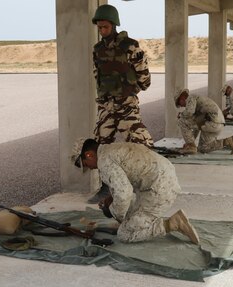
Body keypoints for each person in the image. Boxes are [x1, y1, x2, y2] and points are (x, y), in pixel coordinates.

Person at [71, 138, 200, 245]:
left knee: (124, 234)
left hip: (160, 189)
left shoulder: (104, 162)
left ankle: (173, 224)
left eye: (86, 164)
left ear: (89, 154)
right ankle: (136, 221)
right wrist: (111, 198)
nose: (90, 168)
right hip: (161, 179)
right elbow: (124, 183)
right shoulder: (110, 149)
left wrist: (111, 211)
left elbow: (124, 194)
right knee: (128, 215)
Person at [89, 4, 154, 203]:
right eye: (99, 28)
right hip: (107, 106)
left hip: (126, 104)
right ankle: (106, 187)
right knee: (101, 145)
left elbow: (144, 74)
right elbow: (97, 74)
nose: (102, 31)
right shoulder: (98, 49)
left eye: (105, 27)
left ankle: (149, 181)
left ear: (114, 25)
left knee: (140, 143)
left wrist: (134, 89)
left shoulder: (130, 46)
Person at [174, 89, 233, 154]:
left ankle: (191, 146)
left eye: (179, 103)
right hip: (217, 124)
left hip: (211, 122)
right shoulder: (195, 104)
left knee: (181, 120)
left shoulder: (191, 97)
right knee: (203, 148)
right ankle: (227, 141)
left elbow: (189, 113)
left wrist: (181, 114)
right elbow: (197, 126)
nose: (181, 106)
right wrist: (190, 143)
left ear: (181, 98)